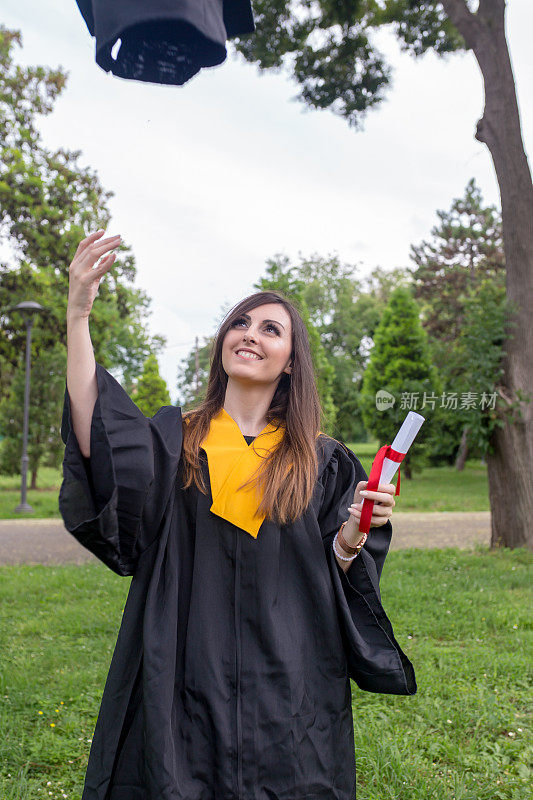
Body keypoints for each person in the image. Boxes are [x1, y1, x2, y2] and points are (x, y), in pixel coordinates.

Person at [59, 229, 416, 800]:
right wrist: (78, 315)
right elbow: (96, 434)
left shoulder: (321, 462)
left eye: (270, 329)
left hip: (291, 676)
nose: (250, 334)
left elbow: (341, 566)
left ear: (291, 362)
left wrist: (351, 537)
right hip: (182, 665)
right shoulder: (176, 441)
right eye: (241, 324)